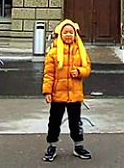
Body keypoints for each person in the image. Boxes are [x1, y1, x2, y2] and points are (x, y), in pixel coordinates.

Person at [41, 18, 92, 161]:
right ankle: (51, 146)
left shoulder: (81, 51)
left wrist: (80, 72)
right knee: (54, 122)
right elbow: (48, 74)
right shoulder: (53, 53)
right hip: (58, 95)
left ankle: (78, 146)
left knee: (76, 122)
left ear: (75, 34)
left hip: (75, 95)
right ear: (60, 34)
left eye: (71, 32)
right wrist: (47, 92)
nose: (68, 35)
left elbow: (87, 68)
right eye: (65, 32)